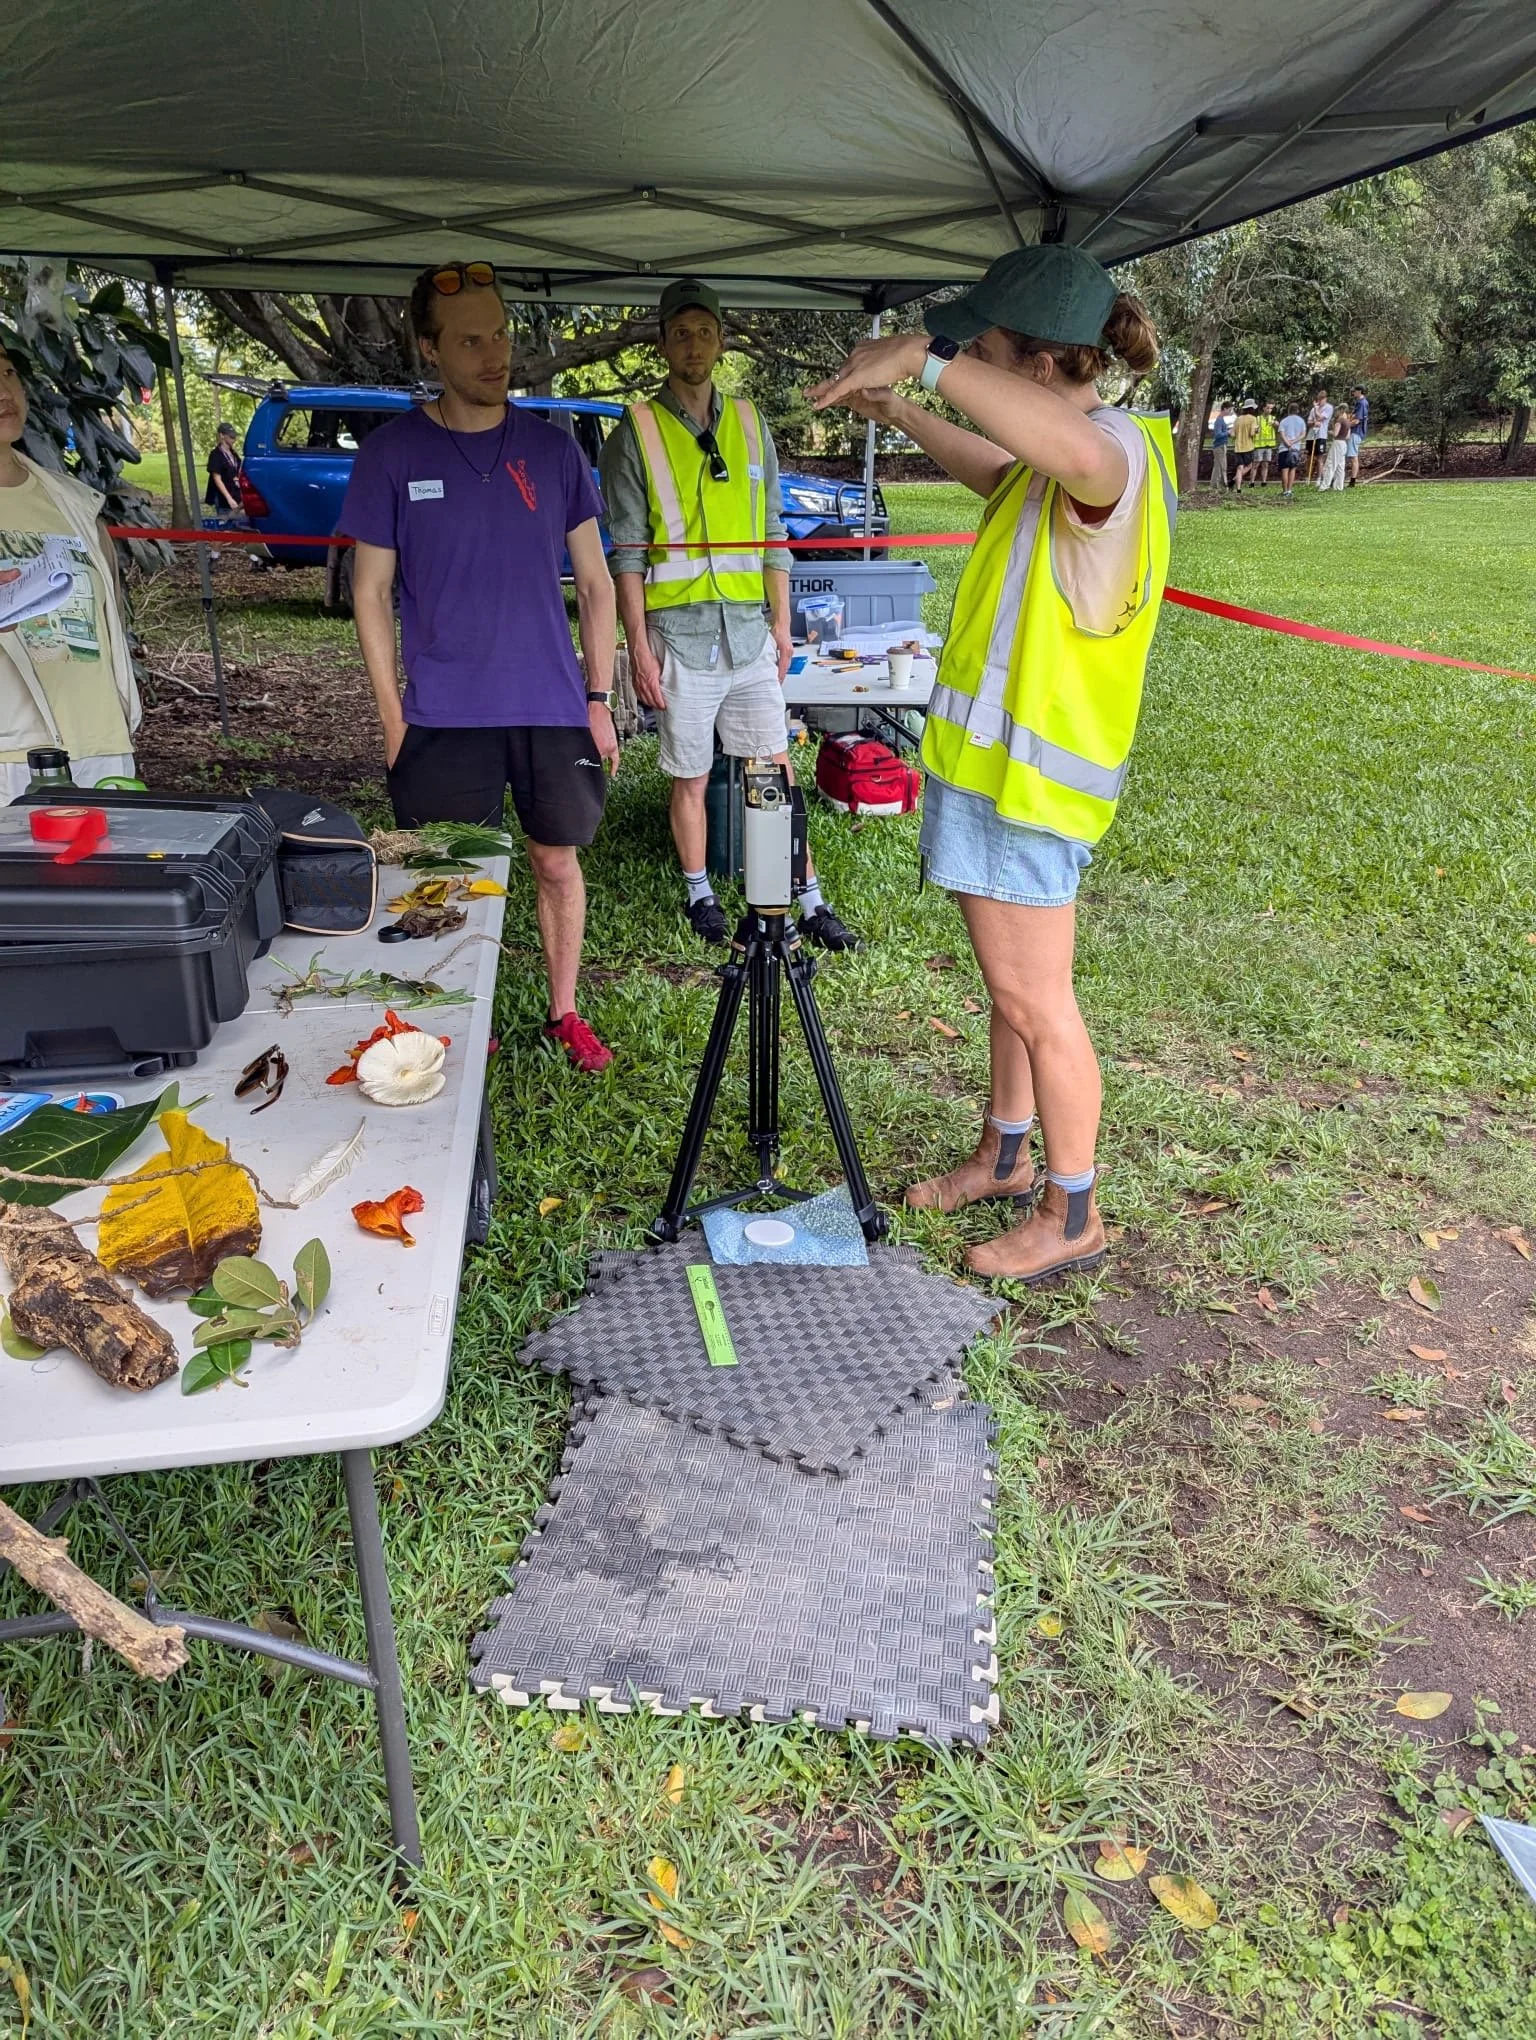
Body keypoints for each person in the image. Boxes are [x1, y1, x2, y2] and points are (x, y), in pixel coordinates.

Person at [808, 244, 1175, 1285]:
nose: (974, 360)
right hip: (992, 778)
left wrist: (924, 356)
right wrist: (907, 415)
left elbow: (1060, 456)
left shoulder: (1114, 455)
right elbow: (997, 472)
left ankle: (1072, 1212)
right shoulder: (1059, 462)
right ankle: (1005, 1158)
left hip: (1033, 789)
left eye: (986, 348)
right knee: (1008, 995)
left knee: (1038, 1005)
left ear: (1042, 361)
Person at [339, 260, 620, 1074]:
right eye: (470, 341)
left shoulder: (553, 448)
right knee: (449, 874)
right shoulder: (391, 455)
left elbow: (597, 585)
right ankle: (462, 1013)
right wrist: (394, 719)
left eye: (499, 334)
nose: (494, 354)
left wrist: (598, 698)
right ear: (430, 349)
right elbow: (370, 593)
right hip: (442, 712)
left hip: (551, 703)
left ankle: (563, 1012)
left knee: (555, 860)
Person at [600, 278, 857, 951]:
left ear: (721, 340)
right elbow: (626, 553)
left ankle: (798, 896)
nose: (693, 345)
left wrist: (781, 621)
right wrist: (640, 648)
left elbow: (774, 531)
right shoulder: (638, 428)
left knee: (771, 767)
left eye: (704, 332)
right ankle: (700, 894)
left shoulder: (749, 421)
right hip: (680, 638)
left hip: (747, 632)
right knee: (690, 773)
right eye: (680, 333)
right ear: (661, 343)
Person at [0, 340, 141, 799]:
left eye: (7, 374)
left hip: (100, 744)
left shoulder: (74, 501)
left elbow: (108, 621)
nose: (4, 391)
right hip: (12, 758)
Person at [204, 421, 242, 521]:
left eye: (234, 436)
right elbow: (217, 478)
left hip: (236, 494)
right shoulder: (216, 455)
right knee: (225, 524)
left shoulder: (234, 454)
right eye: (231, 436)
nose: (234, 439)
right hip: (223, 499)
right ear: (222, 436)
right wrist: (229, 498)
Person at [1275, 403, 1306, 498]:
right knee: (1292, 469)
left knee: (1284, 470)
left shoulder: (1284, 421)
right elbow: (1303, 434)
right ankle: (1289, 490)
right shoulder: (1301, 421)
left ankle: (1284, 491)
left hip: (1284, 448)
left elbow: (1281, 433)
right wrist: (1294, 441)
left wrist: (1287, 442)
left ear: (1288, 410)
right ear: (1297, 411)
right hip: (1295, 448)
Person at [1316, 407, 1349, 491]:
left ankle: (1324, 486)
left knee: (1331, 464)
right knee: (1340, 466)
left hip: (1337, 443)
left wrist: (1328, 431)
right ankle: (1339, 486)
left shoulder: (1339, 421)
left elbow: (1335, 434)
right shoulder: (1347, 422)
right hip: (1344, 443)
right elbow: (1348, 436)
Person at [1304, 389, 1333, 483]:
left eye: (1322, 399)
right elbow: (1309, 422)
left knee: (1320, 458)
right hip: (1311, 436)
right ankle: (1308, 477)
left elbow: (1321, 417)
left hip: (1321, 435)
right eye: (1319, 399)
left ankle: (1319, 478)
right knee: (1309, 457)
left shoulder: (1328, 408)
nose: (1320, 401)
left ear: (1325, 399)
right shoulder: (1313, 409)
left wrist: (1316, 409)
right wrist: (1313, 423)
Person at [1230, 401, 1258, 492]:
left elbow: (1232, 434)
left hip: (1238, 447)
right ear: (1251, 409)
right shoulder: (1253, 419)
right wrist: (1257, 431)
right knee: (1249, 465)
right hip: (1248, 447)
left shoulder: (1238, 419)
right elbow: (1252, 433)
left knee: (1239, 467)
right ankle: (1234, 480)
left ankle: (1238, 489)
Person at [1207, 400, 1232, 492]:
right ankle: (1220, 486)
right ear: (1224, 409)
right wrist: (1228, 432)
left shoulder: (1221, 420)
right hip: (1219, 446)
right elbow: (1217, 435)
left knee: (1219, 466)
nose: (1229, 412)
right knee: (1221, 466)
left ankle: (1215, 485)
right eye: (1229, 410)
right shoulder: (1219, 420)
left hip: (1222, 445)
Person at [1346, 385, 1369, 485]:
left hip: (1356, 432)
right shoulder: (1359, 402)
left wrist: (1345, 426)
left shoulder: (1362, 403)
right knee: (1351, 456)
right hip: (1355, 432)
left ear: (1360, 391)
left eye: (1354, 391)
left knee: (1353, 456)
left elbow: (1356, 421)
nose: (1353, 393)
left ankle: (1352, 481)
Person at [1253, 400, 1276, 485]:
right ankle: (1252, 482)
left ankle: (1264, 481)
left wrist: (1275, 424)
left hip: (1268, 445)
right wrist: (1255, 430)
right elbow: (1253, 430)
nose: (1269, 410)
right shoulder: (1258, 419)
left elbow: (1278, 426)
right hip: (1259, 445)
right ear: (1263, 408)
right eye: (1268, 408)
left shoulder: (1272, 418)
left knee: (1265, 465)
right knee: (1256, 464)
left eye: (1271, 408)